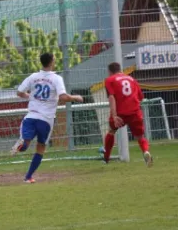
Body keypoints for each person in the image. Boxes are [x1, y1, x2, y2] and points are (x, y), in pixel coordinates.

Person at [10, 52, 84, 183]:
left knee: (26, 144)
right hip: (46, 119)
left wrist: (30, 96)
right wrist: (75, 97)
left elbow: (19, 92)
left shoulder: (33, 77)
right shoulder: (56, 78)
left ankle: (22, 144)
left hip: (31, 116)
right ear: (51, 62)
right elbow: (62, 97)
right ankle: (28, 177)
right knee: (41, 147)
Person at [99, 62, 153, 166]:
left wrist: (114, 116)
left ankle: (106, 159)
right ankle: (146, 152)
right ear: (120, 69)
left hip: (120, 113)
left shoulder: (109, 80)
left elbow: (111, 97)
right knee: (140, 137)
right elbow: (140, 97)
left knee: (111, 131)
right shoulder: (132, 79)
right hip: (134, 111)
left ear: (110, 72)